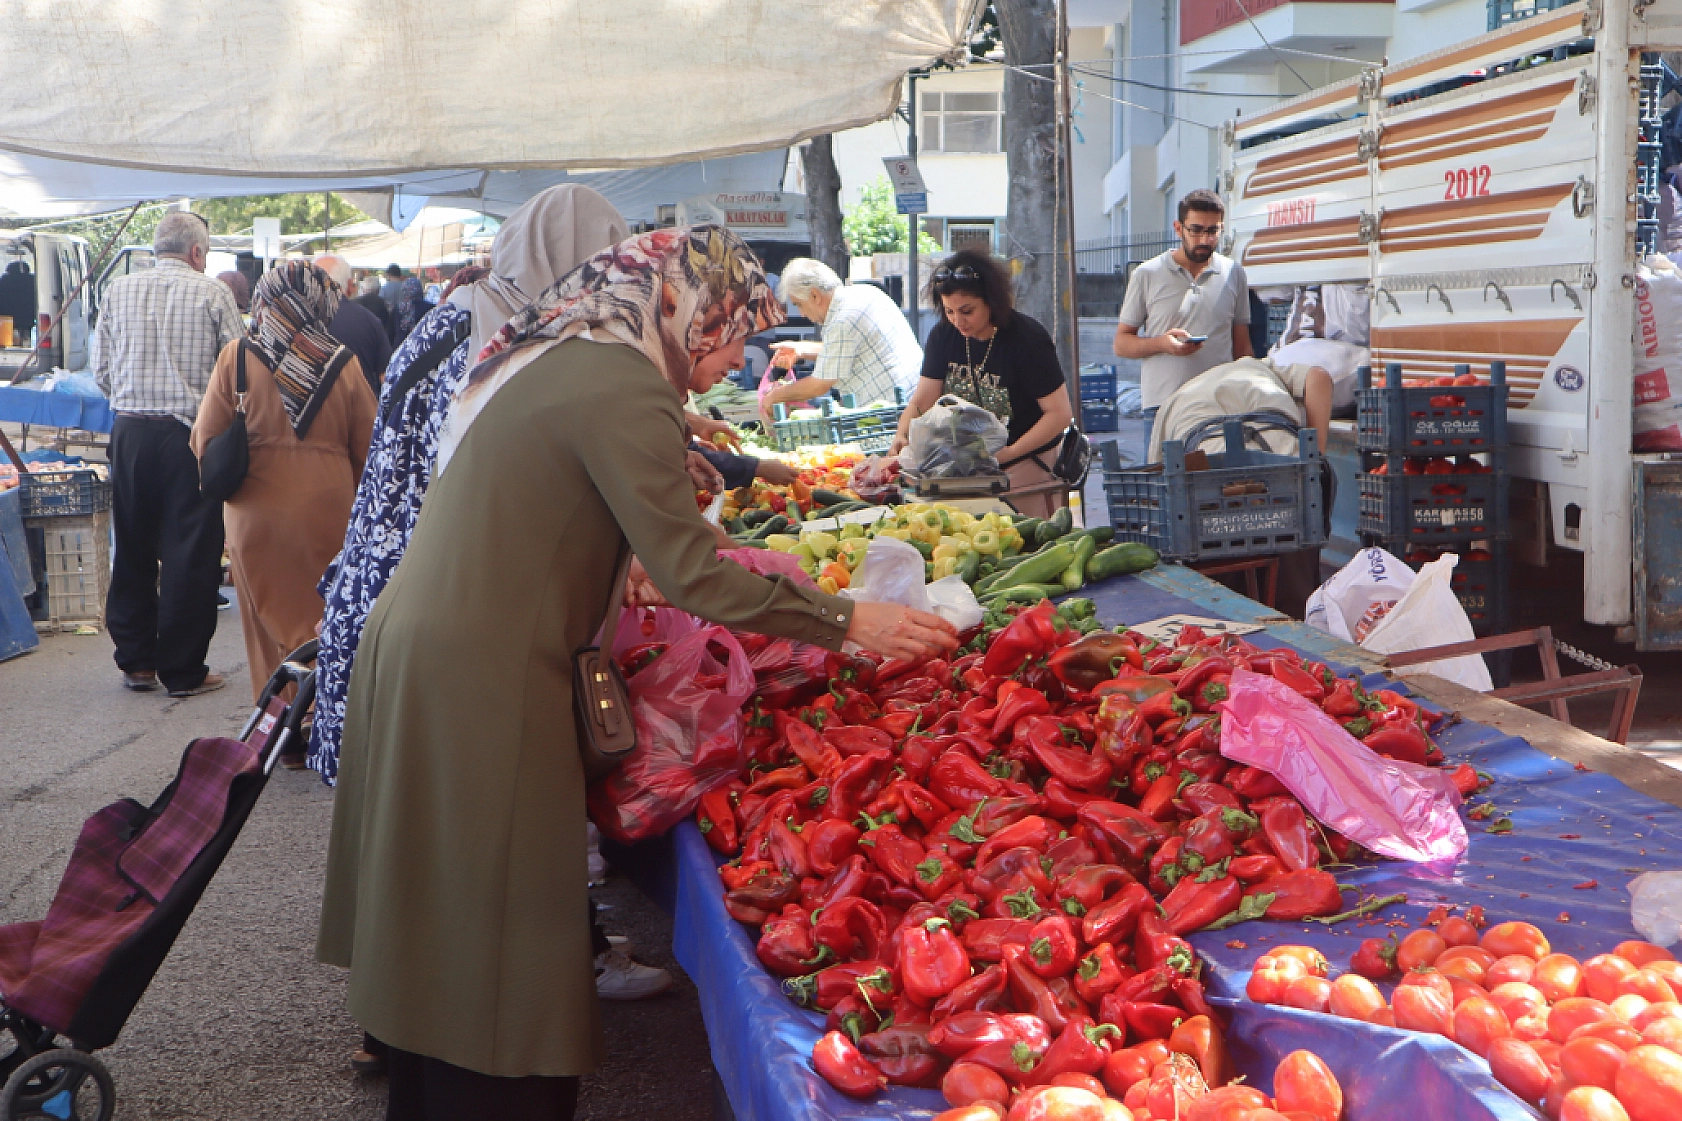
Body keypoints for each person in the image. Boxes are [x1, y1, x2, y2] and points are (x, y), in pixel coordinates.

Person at [316, 226, 957, 1120]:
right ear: (685, 308)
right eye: (736, 330)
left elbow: (565, 502)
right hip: (485, 670)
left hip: (433, 646)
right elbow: (695, 570)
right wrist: (851, 620)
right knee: (507, 923)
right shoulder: (623, 386)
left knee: (443, 919)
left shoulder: (575, 355)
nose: (740, 356)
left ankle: (433, 1088)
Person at [190, 260, 376, 716]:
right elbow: (371, 449)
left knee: (264, 625)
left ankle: (282, 730)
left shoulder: (236, 357)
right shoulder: (342, 362)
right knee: (324, 616)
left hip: (253, 515)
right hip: (326, 511)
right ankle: (324, 717)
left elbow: (204, 440)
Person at [93, 211, 243, 697]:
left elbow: (101, 371)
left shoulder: (118, 290)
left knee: (133, 544)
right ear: (198, 253)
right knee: (191, 551)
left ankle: (136, 661)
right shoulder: (213, 293)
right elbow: (238, 373)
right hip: (189, 437)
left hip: (130, 432)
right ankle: (182, 671)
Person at [889, 250, 1074, 519]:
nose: (957, 321)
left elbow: (1059, 414)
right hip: (962, 466)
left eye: (967, 311)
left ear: (992, 301)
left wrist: (1007, 454)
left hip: (1026, 460)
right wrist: (902, 435)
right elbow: (922, 400)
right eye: (949, 311)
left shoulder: (1028, 340)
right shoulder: (943, 335)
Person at [1149, 355, 1333, 618]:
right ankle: (1296, 632)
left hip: (1208, 454)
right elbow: (1319, 377)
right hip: (1280, 451)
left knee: (1217, 546)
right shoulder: (1264, 366)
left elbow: (1158, 483)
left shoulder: (1175, 398)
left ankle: (1233, 633)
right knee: (1293, 543)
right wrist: (1316, 456)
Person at [1113, 188, 1253, 430]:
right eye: (1196, 230)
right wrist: (1162, 344)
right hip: (1163, 408)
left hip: (1220, 407)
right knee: (1165, 469)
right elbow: (1121, 344)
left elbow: (1242, 347)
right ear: (1179, 229)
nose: (1204, 240)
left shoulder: (1234, 273)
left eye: (1212, 231)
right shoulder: (1146, 274)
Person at [757, 258, 923, 424]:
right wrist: (801, 349)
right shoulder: (864, 293)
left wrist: (775, 396)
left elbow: (819, 384)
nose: (801, 314)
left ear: (815, 295)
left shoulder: (842, 320)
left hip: (894, 416)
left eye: (799, 304)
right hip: (914, 400)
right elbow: (845, 351)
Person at [314, 253, 393, 394]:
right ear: (350, 285)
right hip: (361, 409)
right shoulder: (370, 321)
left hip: (309, 412)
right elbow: (387, 378)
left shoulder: (297, 320)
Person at [0, 260, 38, 343]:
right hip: (27, 318)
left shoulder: (4, 281)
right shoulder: (33, 281)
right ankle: (26, 342)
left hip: (6, 318)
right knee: (26, 336)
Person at [390, 277, 434, 346]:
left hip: (400, 346)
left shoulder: (397, 308)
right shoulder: (429, 308)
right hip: (421, 345)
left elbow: (391, 332)